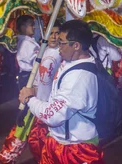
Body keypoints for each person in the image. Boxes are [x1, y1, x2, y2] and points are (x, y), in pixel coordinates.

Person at [19, 20, 103, 163]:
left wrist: (29, 99)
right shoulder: (70, 62)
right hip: (59, 141)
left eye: (62, 43)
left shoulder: (79, 78)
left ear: (76, 45)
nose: (59, 47)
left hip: (76, 149)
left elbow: (53, 115)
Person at [0, 24, 62, 163]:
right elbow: (35, 79)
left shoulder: (61, 54)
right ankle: (7, 157)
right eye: (51, 33)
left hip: (48, 107)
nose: (54, 37)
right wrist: (26, 102)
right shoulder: (41, 52)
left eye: (57, 33)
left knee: (39, 140)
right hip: (35, 102)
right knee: (23, 131)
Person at [16, 15, 38, 90]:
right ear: (23, 28)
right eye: (31, 25)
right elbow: (36, 60)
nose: (34, 27)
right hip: (29, 76)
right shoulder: (25, 43)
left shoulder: (29, 41)